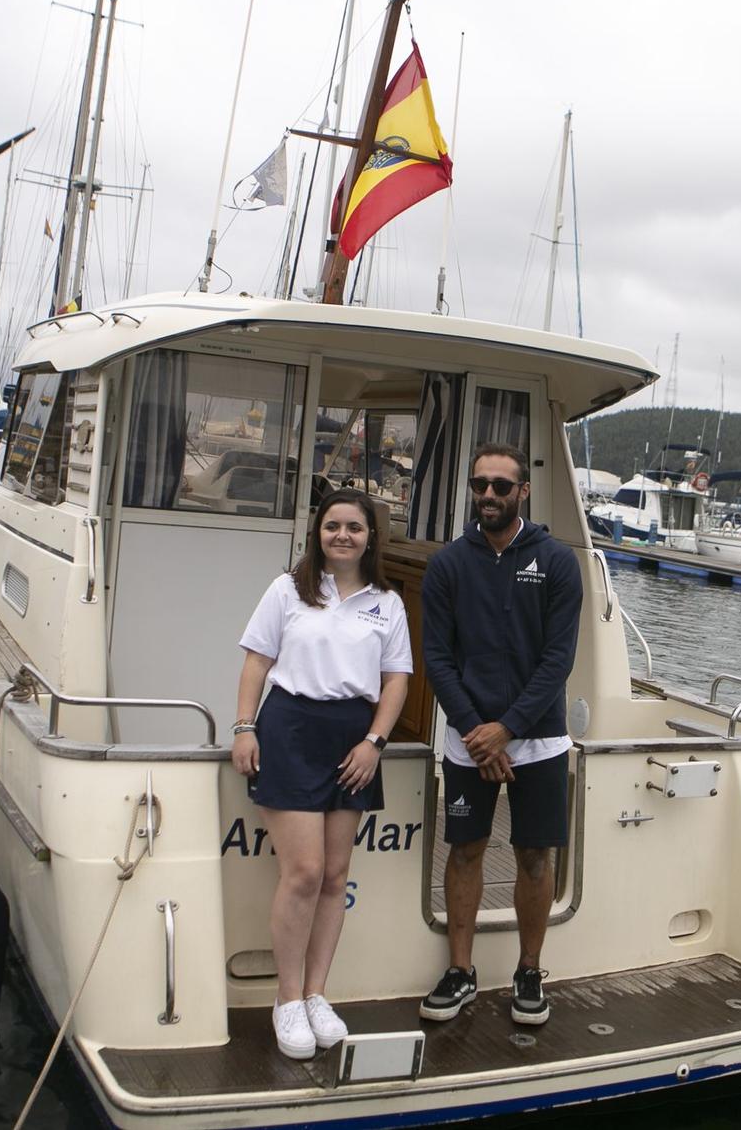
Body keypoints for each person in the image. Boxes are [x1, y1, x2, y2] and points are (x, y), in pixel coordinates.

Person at [232, 489, 412, 1059]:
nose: (342, 535)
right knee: (304, 872)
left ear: (370, 538)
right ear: (317, 532)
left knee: (337, 874)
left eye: (354, 528)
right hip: (290, 730)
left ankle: (316, 994)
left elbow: (396, 680)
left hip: (353, 740)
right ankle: (286, 1000)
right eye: (332, 525)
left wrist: (374, 743)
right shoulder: (287, 589)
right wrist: (243, 726)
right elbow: (257, 661)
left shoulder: (389, 602)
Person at [418, 443, 582, 1027]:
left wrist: (506, 730)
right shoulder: (448, 565)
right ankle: (461, 971)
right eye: (479, 484)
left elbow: (558, 658)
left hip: (537, 739)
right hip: (467, 737)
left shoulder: (558, 561)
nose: (489, 495)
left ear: (523, 492)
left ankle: (529, 970)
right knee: (465, 850)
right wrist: (474, 731)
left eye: (501, 486)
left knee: (535, 856)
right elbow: (436, 656)